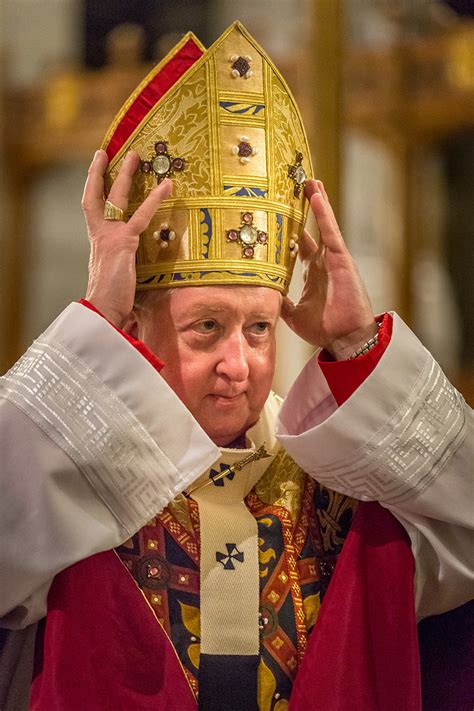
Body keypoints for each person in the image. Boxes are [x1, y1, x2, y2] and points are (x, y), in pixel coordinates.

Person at [0, 22, 472, 711]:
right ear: (134, 324)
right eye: (206, 328)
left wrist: (359, 344)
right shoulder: (76, 489)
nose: (238, 363)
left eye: (258, 327)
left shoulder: (337, 492)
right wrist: (93, 321)